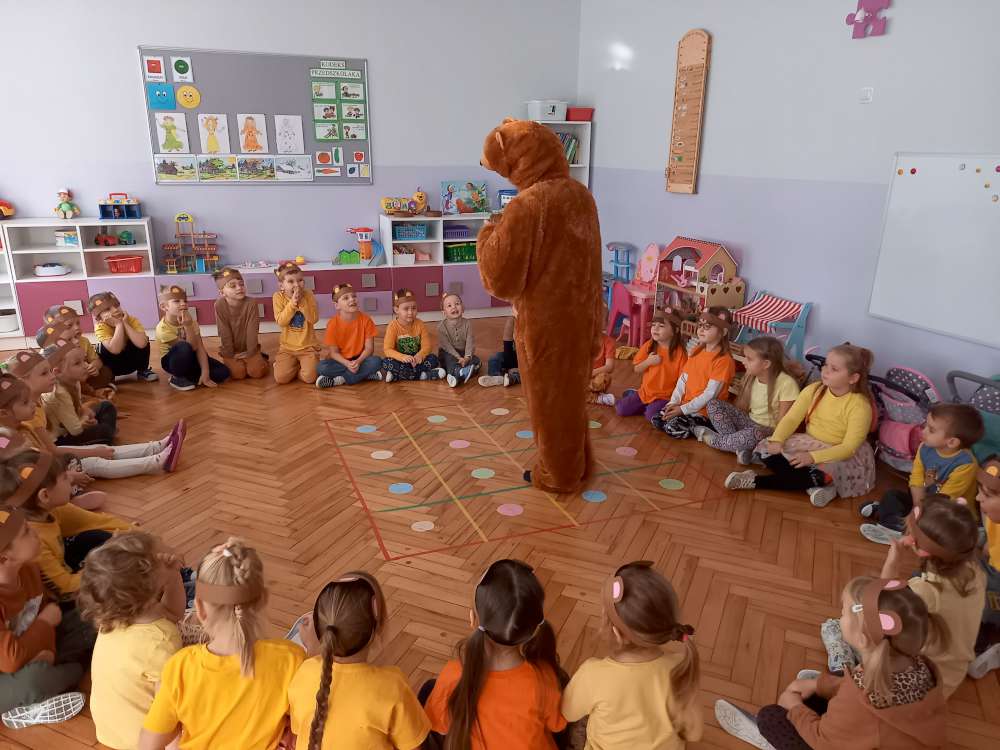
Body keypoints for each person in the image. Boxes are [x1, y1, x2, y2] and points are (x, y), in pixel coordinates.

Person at [477, 118, 603, 495]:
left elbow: (501, 280)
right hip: (584, 315)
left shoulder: (527, 204)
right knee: (570, 397)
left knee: (549, 403)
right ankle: (578, 464)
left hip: (546, 323)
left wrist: (487, 234)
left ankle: (558, 475)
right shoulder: (581, 195)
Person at [716, 577, 946, 750]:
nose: (840, 617)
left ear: (862, 638)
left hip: (842, 738)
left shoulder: (860, 699)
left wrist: (794, 708)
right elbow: (854, 688)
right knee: (822, 685)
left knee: (770, 717)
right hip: (880, 732)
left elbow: (824, 742)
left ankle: (768, 740)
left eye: (843, 612)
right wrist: (820, 685)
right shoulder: (920, 666)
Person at [140, 538, 305, 750]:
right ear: (263, 599)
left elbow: (148, 745)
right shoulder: (292, 658)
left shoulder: (180, 667)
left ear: (199, 609)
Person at [423, 559, 566, 750]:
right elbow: (556, 725)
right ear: (533, 630)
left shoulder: (454, 675)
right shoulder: (544, 676)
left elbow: (439, 727)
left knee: (427, 690)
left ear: (473, 619)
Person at [562, 561, 702, 749]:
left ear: (617, 634)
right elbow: (694, 732)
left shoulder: (593, 674)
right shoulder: (680, 669)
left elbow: (567, 712)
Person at [288, 571, 430, 750]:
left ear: (320, 631)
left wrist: (312, 650)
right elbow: (413, 746)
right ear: (377, 630)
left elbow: (298, 729)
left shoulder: (303, 672)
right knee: (429, 690)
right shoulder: (393, 686)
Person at [725, 344, 876, 507]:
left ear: (853, 378)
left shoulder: (860, 406)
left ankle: (757, 481)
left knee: (824, 470)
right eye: (825, 365)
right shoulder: (814, 389)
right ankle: (817, 484)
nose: (825, 371)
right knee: (767, 450)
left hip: (840, 452)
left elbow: (848, 448)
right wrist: (778, 440)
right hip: (811, 441)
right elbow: (791, 418)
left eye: (834, 369)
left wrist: (812, 457)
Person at [78, 531, 186, 750]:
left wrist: (172, 575)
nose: (167, 555)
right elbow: (168, 711)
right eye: (159, 557)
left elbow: (173, 613)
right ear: (149, 585)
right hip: (142, 739)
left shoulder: (111, 620)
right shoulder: (161, 642)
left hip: (110, 730)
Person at [0, 448, 131, 601]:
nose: (71, 477)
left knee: (97, 538)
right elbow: (66, 590)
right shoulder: (35, 542)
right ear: (45, 495)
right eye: (64, 477)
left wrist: (133, 535)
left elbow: (97, 522)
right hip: (60, 599)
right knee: (118, 571)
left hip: (66, 568)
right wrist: (107, 563)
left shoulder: (50, 510)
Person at [0, 506, 88, 729]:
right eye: (27, 532)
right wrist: (44, 624)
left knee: (89, 615)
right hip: (8, 673)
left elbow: (49, 610)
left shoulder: (29, 570)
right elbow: (9, 661)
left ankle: (56, 677)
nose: (36, 533)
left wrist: (46, 648)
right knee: (33, 681)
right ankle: (74, 670)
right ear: (4, 557)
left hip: (33, 652)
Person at [860, 403, 984, 544]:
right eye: (925, 425)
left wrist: (918, 512)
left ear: (951, 442)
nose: (923, 431)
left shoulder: (965, 464)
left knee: (940, 525)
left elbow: (945, 499)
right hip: (925, 500)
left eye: (931, 430)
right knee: (892, 496)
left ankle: (896, 526)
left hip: (948, 511)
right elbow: (916, 478)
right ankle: (895, 523)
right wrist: (917, 506)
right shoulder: (925, 447)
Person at [698, 336, 801, 464]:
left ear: (766, 364)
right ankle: (740, 448)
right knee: (713, 404)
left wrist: (775, 440)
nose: (744, 362)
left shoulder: (787, 383)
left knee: (754, 432)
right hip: (749, 423)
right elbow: (743, 411)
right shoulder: (752, 377)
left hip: (768, 431)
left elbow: (784, 421)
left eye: (749, 359)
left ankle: (715, 440)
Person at [655, 308, 737, 439]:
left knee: (672, 427)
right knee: (657, 419)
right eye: (700, 325)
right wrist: (674, 402)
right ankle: (688, 424)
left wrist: (682, 410)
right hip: (686, 405)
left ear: (723, 332)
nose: (701, 329)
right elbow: (683, 379)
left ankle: (703, 429)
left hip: (704, 413)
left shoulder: (724, 360)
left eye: (707, 327)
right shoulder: (696, 350)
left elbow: (710, 394)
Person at [40, 323, 117, 446]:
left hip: (72, 421)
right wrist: (84, 419)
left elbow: (78, 405)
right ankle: (103, 437)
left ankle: (104, 437)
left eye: (84, 360)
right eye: (77, 363)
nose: (85, 366)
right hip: (61, 438)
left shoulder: (74, 380)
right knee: (104, 431)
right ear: (57, 372)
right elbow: (75, 430)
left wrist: (84, 411)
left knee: (106, 406)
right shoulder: (59, 393)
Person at [615, 309, 687, 423]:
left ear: (675, 330)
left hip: (664, 397)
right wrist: (648, 362)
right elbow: (636, 369)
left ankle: (646, 406)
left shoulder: (681, 354)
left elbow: (682, 382)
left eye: (661, 326)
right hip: (645, 393)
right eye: (653, 325)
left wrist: (676, 402)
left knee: (651, 415)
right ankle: (637, 399)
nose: (655, 329)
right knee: (621, 409)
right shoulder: (649, 345)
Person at [155, 285, 230, 391]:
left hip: (192, 358)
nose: (183, 304)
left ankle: (191, 377)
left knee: (223, 373)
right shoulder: (163, 329)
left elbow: (199, 348)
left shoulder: (192, 322)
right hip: (173, 362)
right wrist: (188, 326)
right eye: (177, 301)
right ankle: (177, 377)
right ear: (164, 307)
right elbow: (191, 347)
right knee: (183, 346)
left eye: (185, 301)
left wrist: (205, 373)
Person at [316, 283, 383, 389]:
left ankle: (341, 379)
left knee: (377, 361)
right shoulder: (332, 324)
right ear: (337, 305)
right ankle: (364, 375)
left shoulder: (366, 320)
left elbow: (369, 349)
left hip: (360, 359)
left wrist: (358, 362)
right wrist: (347, 364)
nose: (352, 299)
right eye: (346, 298)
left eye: (354, 296)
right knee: (321, 367)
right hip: (342, 361)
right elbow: (334, 353)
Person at [968, 455, 1000, 679]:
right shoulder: (993, 515)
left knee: (984, 599)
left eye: (986, 495)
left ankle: (981, 642)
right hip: (992, 567)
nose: (978, 498)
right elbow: (989, 545)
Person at [41, 305, 115, 393]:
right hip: (65, 380)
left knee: (105, 372)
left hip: (83, 376)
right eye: (69, 326)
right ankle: (81, 390)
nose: (76, 327)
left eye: (78, 323)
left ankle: (84, 389)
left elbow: (97, 360)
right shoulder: (51, 348)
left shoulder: (84, 341)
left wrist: (94, 366)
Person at [212, 268, 269, 380]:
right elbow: (224, 331)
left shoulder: (251, 303)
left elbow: (252, 331)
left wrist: (250, 352)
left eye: (241, 284)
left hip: (249, 347)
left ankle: (261, 358)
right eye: (233, 286)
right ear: (222, 292)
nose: (239, 288)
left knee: (256, 372)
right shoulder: (219, 305)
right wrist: (230, 354)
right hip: (231, 350)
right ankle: (245, 361)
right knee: (238, 374)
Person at [88, 293, 158, 382]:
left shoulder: (131, 320)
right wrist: (118, 325)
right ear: (99, 318)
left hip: (132, 360)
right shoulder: (101, 327)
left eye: (116, 306)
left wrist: (125, 323)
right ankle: (109, 375)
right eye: (107, 309)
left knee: (143, 338)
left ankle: (142, 370)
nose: (115, 310)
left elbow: (142, 344)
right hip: (115, 366)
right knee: (101, 348)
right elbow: (115, 349)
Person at [272, 262, 320, 385]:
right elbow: (281, 322)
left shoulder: (308, 295)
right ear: (281, 285)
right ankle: (292, 365)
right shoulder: (277, 297)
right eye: (290, 281)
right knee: (281, 378)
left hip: (308, 347)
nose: (297, 285)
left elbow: (313, 319)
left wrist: (302, 303)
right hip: (287, 348)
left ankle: (300, 367)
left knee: (310, 377)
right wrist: (292, 304)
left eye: (300, 280)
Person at [380, 290, 444, 382]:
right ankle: (423, 375)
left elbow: (427, 346)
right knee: (386, 362)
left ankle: (399, 375)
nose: (410, 312)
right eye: (406, 309)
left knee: (433, 359)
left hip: (417, 360)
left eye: (414, 308)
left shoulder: (420, 324)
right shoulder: (392, 326)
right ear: (396, 310)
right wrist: (402, 357)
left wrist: (420, 355)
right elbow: (388, 349)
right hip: (401, 360)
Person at [438, 293, 480, 388]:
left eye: (457, 304)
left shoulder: (467, 324)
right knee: (449, 359)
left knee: (476, 360)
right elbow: (447, 346)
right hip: (449, 353)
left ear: (463, 308)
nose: (454, 307)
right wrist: (458, 357)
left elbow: (470, 342)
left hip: (463, 353)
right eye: (449, 306)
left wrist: (467, 357)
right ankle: (457, 371)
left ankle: (458, 374)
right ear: (444, 312)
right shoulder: (441, 327)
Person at [478, 317, 519, 388]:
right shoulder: (513, 320)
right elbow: (507, 344)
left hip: (529, 361)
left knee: (529, 373)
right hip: (514, 355)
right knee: (494, 358)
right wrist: (509, 362)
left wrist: (518, 368)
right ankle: (496, 376)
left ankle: (512, 378)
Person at [588, 328, 616, 406]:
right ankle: (597, 398)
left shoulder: (609, 342)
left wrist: (591, 373)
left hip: (596, 378)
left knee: (605, 378)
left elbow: (610, 367)